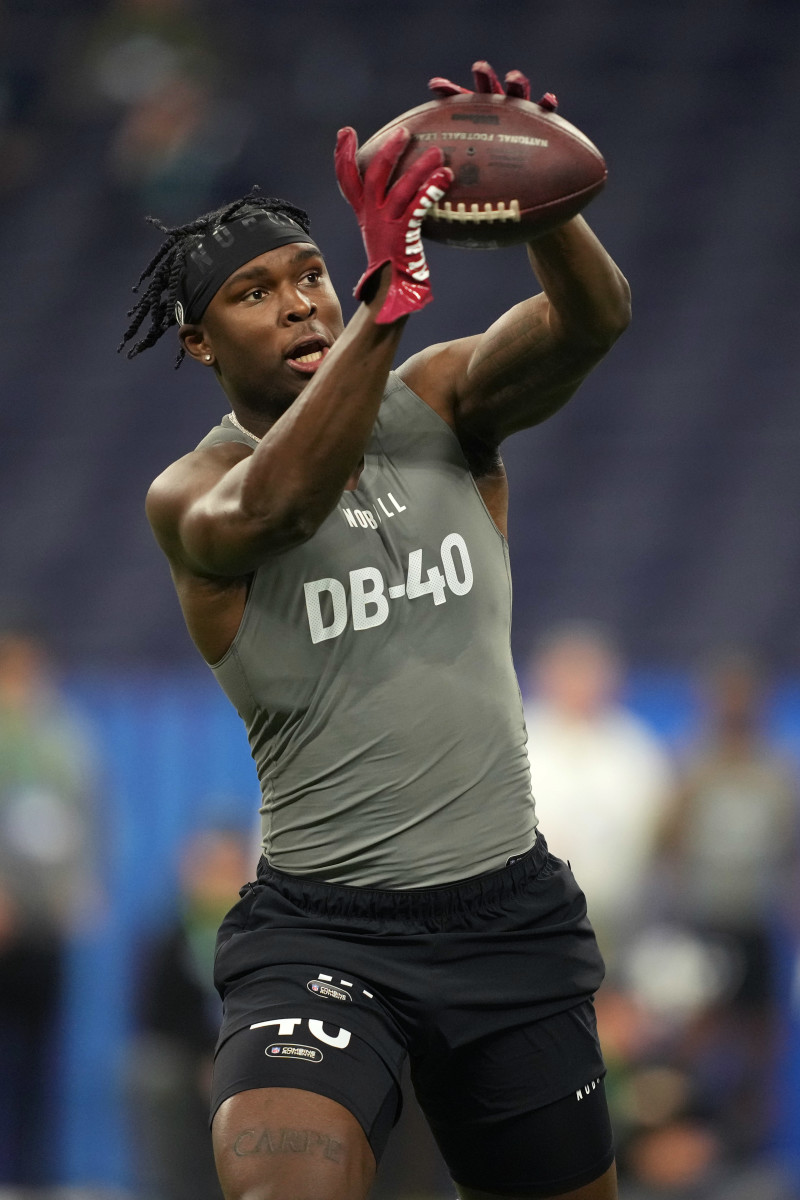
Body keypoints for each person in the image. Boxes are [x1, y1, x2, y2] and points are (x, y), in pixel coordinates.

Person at [120, 61, 631, 1200]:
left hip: (505, 916)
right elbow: (280, 507)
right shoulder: (192, 492)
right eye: (254, 292)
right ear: (199, 343)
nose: (299, 301)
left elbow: (592, 321)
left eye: (311, 274)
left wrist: (545, 210)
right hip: (324, 935)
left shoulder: (442, 402)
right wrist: (380, 309)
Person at [523, 622, 675, 972]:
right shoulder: (519, 740)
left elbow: (662, 831)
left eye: (590, 672)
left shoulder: (634, 747)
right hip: (530, 920)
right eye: (570, 671)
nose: (580, 684)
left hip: (618, 921)